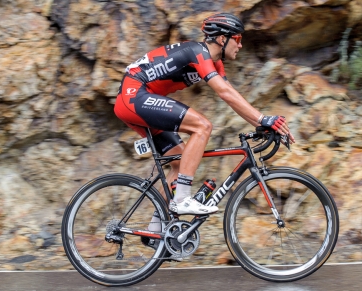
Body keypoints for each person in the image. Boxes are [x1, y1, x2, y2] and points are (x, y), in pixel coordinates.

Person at [114, 12, 296, 235]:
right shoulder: (198, 52)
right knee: (202, 126)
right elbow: (224, 92)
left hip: (136, 99)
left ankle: (156, 231)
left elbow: (231, 97)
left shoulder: (216, 64)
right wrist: (262, 118)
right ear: (222, 39)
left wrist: (262, 123)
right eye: (238, 39)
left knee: (180, 162)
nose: (240, 45)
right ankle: (182, 198)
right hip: (134, 96)